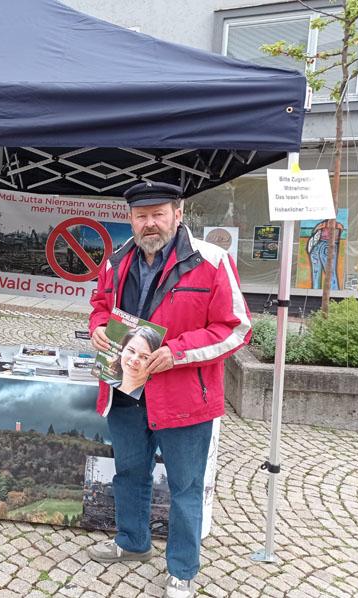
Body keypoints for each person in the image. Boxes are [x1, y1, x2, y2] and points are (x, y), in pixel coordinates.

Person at [86, 181, 251, 598]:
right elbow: (101, 306)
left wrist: (176, 352)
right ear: (131, 220)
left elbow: (236, 328)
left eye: (159, 213)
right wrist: (98, 329)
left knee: (185, 487)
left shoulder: (212, 261)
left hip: (184, 397)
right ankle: (132, 541)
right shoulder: (118, 259)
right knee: (129, 472)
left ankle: (182, 569)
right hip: (125, 389)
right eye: (141, 216)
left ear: (179, 214)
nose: (150, 223)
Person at [111, 326, 162, 399]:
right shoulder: (109, 384)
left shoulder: (150, 398)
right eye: (131, 350)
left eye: (145, 357)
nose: (134, 359)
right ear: (122, 349)